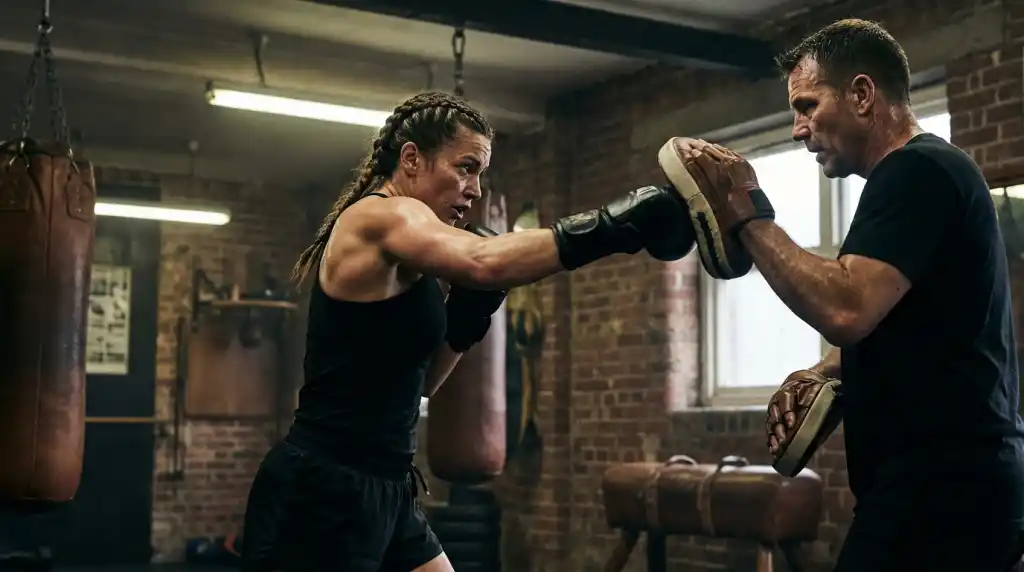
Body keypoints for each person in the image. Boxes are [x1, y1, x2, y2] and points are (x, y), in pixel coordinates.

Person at [239, 91, 696, 572]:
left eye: (480, 173)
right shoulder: (380, 216)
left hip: (388, 486)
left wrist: (466, 319)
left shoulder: (407, 258)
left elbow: (418, 388)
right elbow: (481, 261)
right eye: (465, 167)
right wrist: (615, 227)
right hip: (321, 491)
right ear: (412, 158)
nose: (475, 188)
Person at [661, 18, 1024, 572]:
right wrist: (828, 373)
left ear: (861, 94)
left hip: (944, 493)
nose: (798, 129)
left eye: (807, 106)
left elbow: (846, 307)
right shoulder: (920, 175)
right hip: (949, 488)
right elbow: (904, 320)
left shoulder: (915, 170)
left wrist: (747, 214)